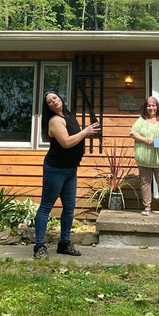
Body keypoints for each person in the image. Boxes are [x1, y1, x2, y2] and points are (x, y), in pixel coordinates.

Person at [33, 90, 101, 258]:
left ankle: (64, 243)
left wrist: (86, 133)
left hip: (71, 169)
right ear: (47, 107)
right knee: (45, 208)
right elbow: (66, 142)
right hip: (55, 169)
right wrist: (85, 132)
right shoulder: (55, 121)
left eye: (54, 98)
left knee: (69, 208)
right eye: (49, 101)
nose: (54, 101)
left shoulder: (69, 116)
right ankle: (39, 247)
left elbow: (76, 139)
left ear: (60, 98)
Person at [129, 96, 159, 216]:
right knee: (145, 183)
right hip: (144, 160)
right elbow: (133, 133)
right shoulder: (141, 120)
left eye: (153, 105)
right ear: (145, 107)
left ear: (157, 107)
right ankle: (147, 208)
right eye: (148, 105)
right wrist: (144, 139)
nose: (151, 108)